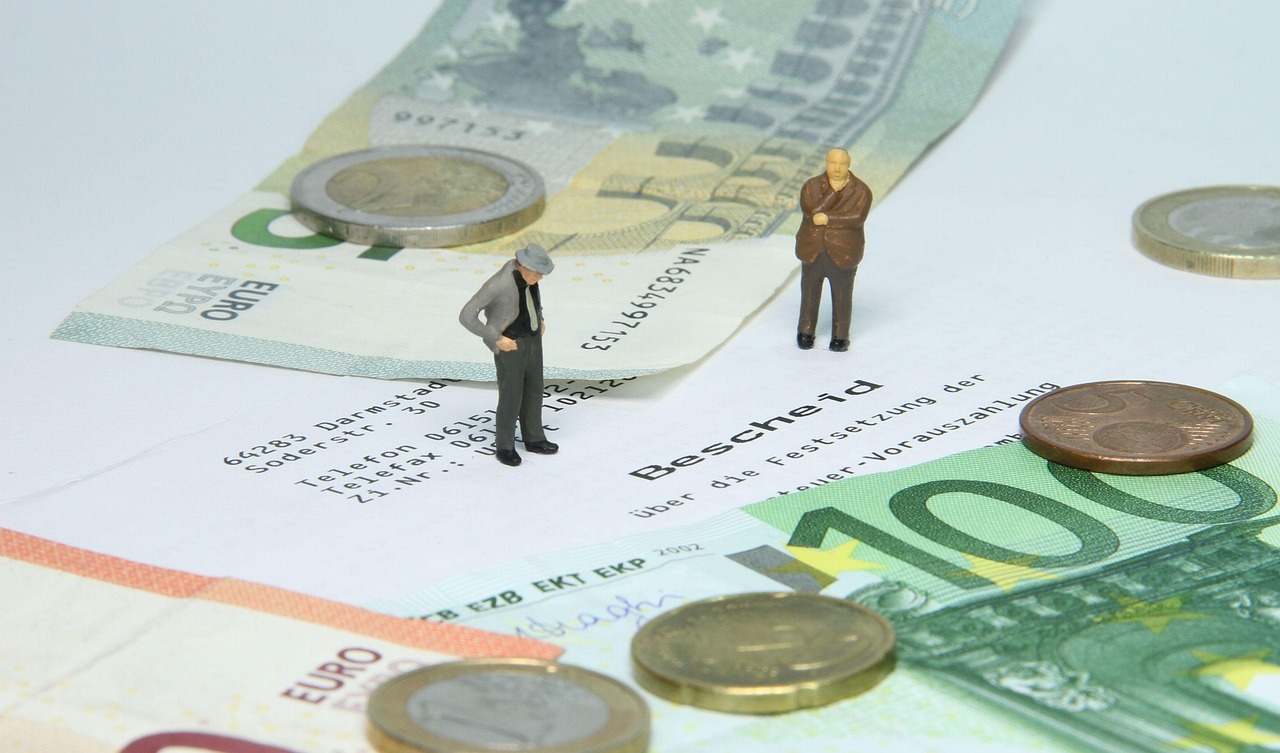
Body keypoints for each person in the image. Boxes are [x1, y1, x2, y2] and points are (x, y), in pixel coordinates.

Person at [459, 243, 558, 466]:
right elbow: (467, 315)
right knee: (511, 396)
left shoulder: (530, 280)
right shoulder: (498, 283)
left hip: (533, 340)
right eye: (537, 272)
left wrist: (539, 320)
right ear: (522, 265)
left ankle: (534, 437)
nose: (540, 278)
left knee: (535, 390)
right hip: (510, 344)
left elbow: (532, 302)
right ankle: (505, 446)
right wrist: (496, 337)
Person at [794, 147, 872, 352]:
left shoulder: (861, 191)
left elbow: (857, 217)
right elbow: (812, 213)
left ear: (849, 164)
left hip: (844, 251)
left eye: (842, 164)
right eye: (833, 163)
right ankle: (805, 331)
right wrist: (833, 193)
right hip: (813, 249)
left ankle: (840, 336)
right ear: (826, 162)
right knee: (809, 293)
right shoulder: (811, 186)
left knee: (842, 296)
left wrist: (828, 218)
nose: (837, 168)